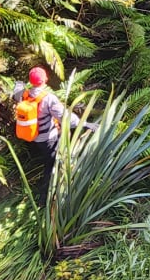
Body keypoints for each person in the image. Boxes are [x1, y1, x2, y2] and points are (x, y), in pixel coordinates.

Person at [11, 66, 97, 202]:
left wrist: (18, 84)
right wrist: (85, 124)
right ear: (45, 80)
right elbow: (65, 117)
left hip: (32, 137)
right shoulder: (48, 98)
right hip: (48, 139)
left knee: (44, 156)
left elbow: (16, 92)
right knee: (51, 166)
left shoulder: (24, 94)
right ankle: (44, 197)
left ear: (30, 81)